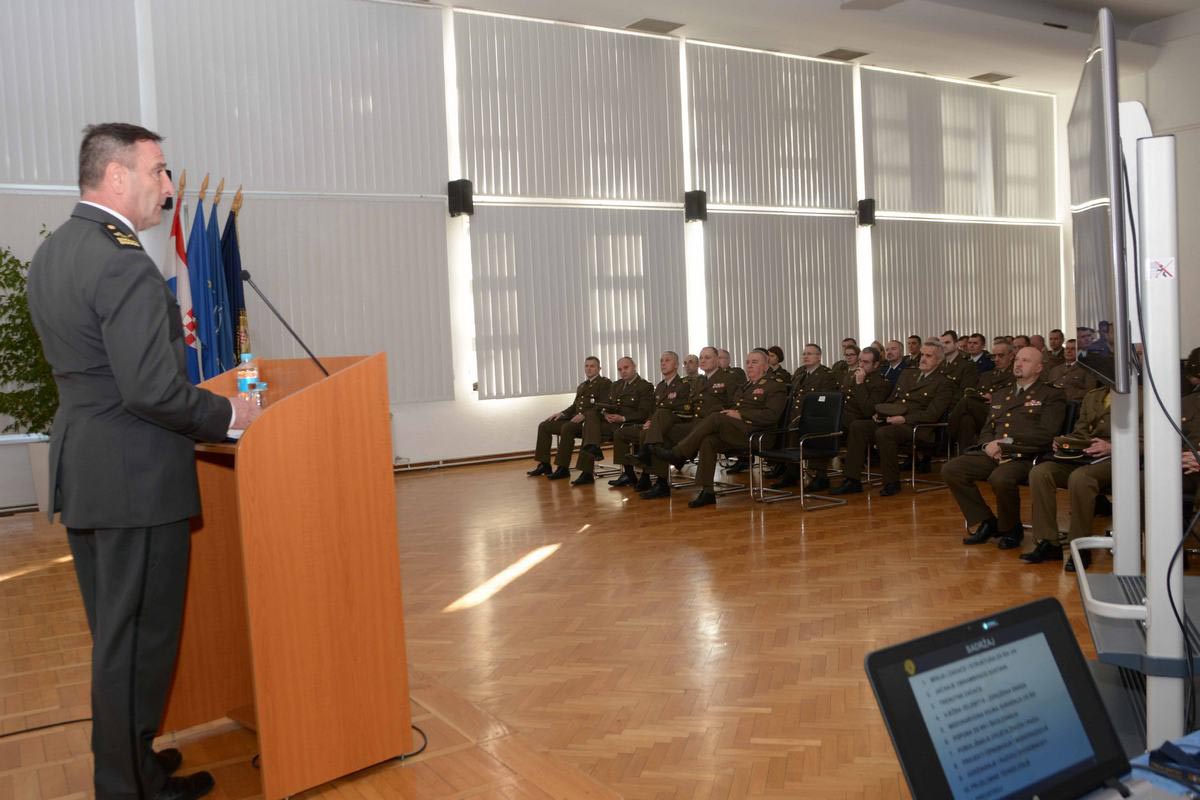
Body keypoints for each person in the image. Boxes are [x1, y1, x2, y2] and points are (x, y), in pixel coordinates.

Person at [26, 123, 263, 800]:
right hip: (136, 480)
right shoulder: (122, 261)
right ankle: (127, 788)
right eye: (158, 171)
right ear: (117, 176)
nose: (167, 185)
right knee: (137, 644)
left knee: (118, 639)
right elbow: (151, 390)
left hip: (91, 470)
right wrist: (230, 414)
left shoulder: (54, 252)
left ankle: (134, 767)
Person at [946, 347, 1067, 551]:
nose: (1018, 364)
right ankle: (986, 521)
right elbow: (988, 428)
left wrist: (1005, 443)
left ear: (1039, 368)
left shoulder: (1051, 394)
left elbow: (1047, 433)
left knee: (1001, 478)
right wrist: (987, 445)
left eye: (1026, 361)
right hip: (994, 453)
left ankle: (1011, 528)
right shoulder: (1002, 393)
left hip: (1026, 455)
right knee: (952, 469)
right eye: (1017, 359)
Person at [651, 349, 787, 507]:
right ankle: (707, 491)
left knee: (715, 417)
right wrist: (731, 413)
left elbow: (772, 415)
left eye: (754, 362)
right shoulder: (745, 386)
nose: (749, 366)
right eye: (748, 362)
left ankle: (677, 453)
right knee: (709, 441)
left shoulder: (775, 385)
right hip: (738, 431)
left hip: (759, 435)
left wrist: (741, 415)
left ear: (765, 366)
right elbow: (732, 406)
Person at [832, 341, 955, 497]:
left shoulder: (944, 383)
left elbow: (932, 414)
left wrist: (904, 419)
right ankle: (852, 480)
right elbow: (892, 400)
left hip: (918, 427)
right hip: (893, 420)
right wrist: (880, 412)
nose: (923, 358)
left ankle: (891, 482)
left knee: (885, 433)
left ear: (939, 360)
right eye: (922, 354)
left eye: (928, 356)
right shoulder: (908, 374)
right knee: (858, 426)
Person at [1022, 386, 1113, 569]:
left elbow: (1149, 437)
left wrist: (1112, 446)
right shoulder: (1093, 395)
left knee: (1080, 478)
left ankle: (1080, 546)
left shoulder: (1142, 394)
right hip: (1085, 456)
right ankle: (1049, 542)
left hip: (1119, 459)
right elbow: (1081, 432)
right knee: (1041, 473)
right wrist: (1066, 441)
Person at [638, 347, 737, 498]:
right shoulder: (699, 381)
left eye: (707, 357)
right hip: (695, 422)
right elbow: (690, 405)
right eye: (701, 357)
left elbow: (735, 404)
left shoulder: (729, 378)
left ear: (717, 360)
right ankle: (661, 483)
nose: (703, 360)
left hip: (714, 424)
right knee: (662, 435)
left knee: (704, 440)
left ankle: (675, 456)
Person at [606, 352, 687, 489]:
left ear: (676, 365)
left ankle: (648, 476)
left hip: (671, 426)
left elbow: (682, 411)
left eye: (667, 360)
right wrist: (649, 421)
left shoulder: (683, 385)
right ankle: (629, 474)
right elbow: (652, 410)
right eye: (661, 361)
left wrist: (653, 422)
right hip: (653, 425)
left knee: (647, 434)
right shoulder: (660, 386)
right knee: (620, 433)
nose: (663, 363)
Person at [573, 357, 653, 485]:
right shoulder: (616, 385)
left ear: (634, 367)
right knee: (591, 417)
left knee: (590, 433)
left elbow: (644, 412)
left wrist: (623, 418)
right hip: (612, 423)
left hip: (628, 423)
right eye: (620, 369)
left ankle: (625, 473)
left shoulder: (645, 386)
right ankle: (592, 454)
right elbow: (607, 405)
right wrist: (605, 414)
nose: (623, 371)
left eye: (626, 368)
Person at [528, 357, 612, 478]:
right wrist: (562, 413)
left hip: (590, 423)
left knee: (567, 428)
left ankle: (562, 468)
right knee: (545, 425)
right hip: (575, 420)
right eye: (586, 366)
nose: (588, 369)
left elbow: (603, 405)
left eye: (592, 366)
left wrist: (584, 415)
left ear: (599, 369)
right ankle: (544, 464)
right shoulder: (582, 385)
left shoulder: (605, 383)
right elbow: (574, 406)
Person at [948, 341, 1014, 452]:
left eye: (1001, 355)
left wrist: (995, 398)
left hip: (1000, 413)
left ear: (1011, 356)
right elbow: (976, 393)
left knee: (966, 402)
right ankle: (968, 454)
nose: (996, 359)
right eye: (993, 356)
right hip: (982, 411)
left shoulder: (1015, 375)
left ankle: (949, 431)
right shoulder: (986, 375)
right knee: (966, 420)